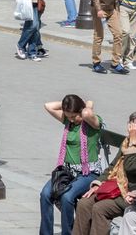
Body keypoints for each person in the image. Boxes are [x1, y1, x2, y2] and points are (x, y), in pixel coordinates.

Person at [71, 110, 136, 235]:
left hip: (130, 194)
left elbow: (132, 166)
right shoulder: (127, 143)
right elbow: (113, 166)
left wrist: (132, 143)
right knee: (84, 204)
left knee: (100, 209)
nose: (130, 129)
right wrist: (98, 183)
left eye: (134, 126)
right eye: (130, 124)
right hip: (114, 188)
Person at [40, 95, 104, 235]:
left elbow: (87, 113)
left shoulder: (91, 123)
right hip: (67, 172)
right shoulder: (69, 122)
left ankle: (68, 233)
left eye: (74, 116)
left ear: (81, 110)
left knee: (67, 197)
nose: (72, 120)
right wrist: (66, 105)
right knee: (45, 194)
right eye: (68, 116)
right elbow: (48, 105)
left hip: (88, 173)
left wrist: (87, 104)